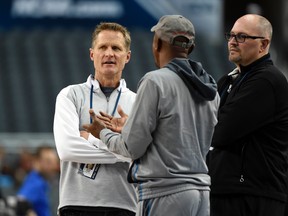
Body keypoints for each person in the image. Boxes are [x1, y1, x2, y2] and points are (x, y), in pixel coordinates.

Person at [83, 15, 220, 216]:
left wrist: (102, 132)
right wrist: (131, 127)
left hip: (165, 193)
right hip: (202, 194)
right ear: (189, 47)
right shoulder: (211, 89)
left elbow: (132, 147)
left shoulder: (154, 81)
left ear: (157, 43)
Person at [206, 14, 288, 216]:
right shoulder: (228, 80)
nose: (232, 42)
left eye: (241, 37)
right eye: (231, 36)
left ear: (263, 44)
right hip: (228, 190)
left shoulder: (267, 81)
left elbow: (221, 132)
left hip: (253, 194)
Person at [53, 22, 137, 216]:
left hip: (124, 204)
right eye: (103, 47)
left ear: (127, 56)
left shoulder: (139, 101)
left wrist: (90, 139)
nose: (109, 53)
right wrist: (123, 149)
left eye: (116, 48)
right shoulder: (69, 95)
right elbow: (67, 150)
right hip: (75, 204)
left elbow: (144, 155)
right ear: (92, 54)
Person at [17, 146, 59, 216]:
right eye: (48, 162)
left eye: (54, 162)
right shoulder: (35, 182)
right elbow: (22, 203)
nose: (53, 166)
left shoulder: (45, 181)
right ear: (37, 161)